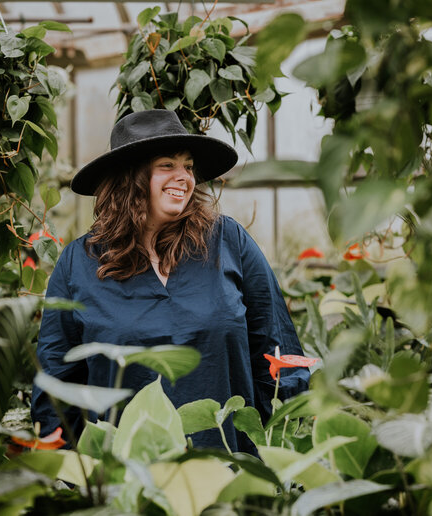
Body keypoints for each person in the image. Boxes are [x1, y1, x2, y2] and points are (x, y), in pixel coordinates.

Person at [31, 109, 310, 453]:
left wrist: (271, 447)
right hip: (125, 479)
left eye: (189, 167)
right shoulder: (80, 263)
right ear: (130, 177)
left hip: (229, 471)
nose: (185, 177)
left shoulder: (227, 242)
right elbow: (57, 384)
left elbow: (278, 351)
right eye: (167, 165)